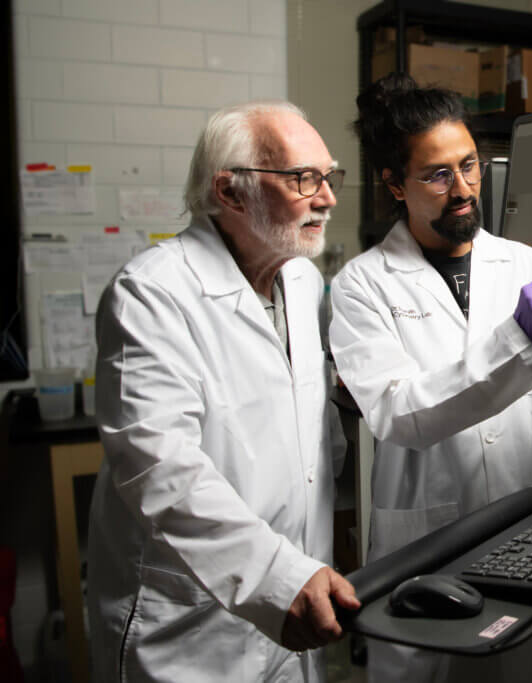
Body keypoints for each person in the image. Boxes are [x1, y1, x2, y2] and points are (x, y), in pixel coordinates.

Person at [330, 74, 532, 683]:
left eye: (469, 166)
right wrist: (513, 338)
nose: (463, 189)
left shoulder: (519, 262)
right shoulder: (362, 285)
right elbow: (400, 415)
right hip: (427, 552)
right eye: (438, 175)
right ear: (395, 184)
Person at [87, 101, 361, 683]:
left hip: (297, 608)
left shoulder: (301, 278)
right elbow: (160, 469)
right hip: (190, 628)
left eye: (328, 176)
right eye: (302, 179)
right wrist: (275, 576)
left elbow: (310, 435)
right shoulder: (151, 293)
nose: (328, 197)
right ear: (232, 192)